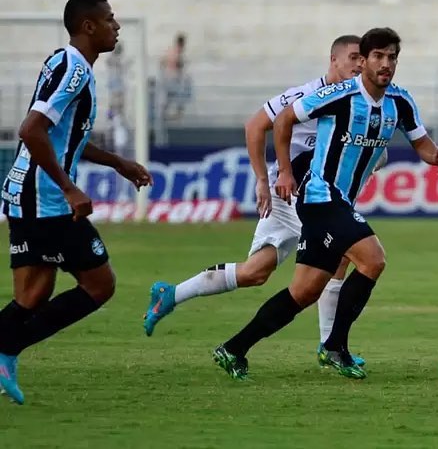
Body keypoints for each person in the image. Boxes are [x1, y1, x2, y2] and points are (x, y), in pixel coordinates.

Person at [213, 27, 438, 381]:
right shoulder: (340, 95)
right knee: (373, 259)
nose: (385, 64)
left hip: (337, 202)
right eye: (378, 57)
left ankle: (234, 348)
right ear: (365, 59)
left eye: (392, 58)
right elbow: (283, 120)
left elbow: (421, 142)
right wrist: (283, 171)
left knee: (303, 292)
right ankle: (334, 347)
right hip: (321, 195)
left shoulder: (399, 102)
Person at [143, 35, 376, 367]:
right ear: (334, 59)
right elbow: (256, 126)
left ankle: (172, 294)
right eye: (353, 56)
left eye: (361, 58)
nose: (358, 64)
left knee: (256, 271)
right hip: (295, 192)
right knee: (342, 252)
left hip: (308, 195)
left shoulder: (355, 101)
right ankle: (331, 346)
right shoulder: (307, 95)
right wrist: (266, 179)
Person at [0, 0, 153, 405]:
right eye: (109, 19)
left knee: (32, 296)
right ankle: (6, 348)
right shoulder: (74, 70)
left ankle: (6, 349)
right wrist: (69, 187)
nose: (117, 26)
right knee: (100, 284)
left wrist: (117, 162)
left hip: (28, 193)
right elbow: (31, 130)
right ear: (88, 26)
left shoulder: (66, 63)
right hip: (44, 198)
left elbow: (62, 137)